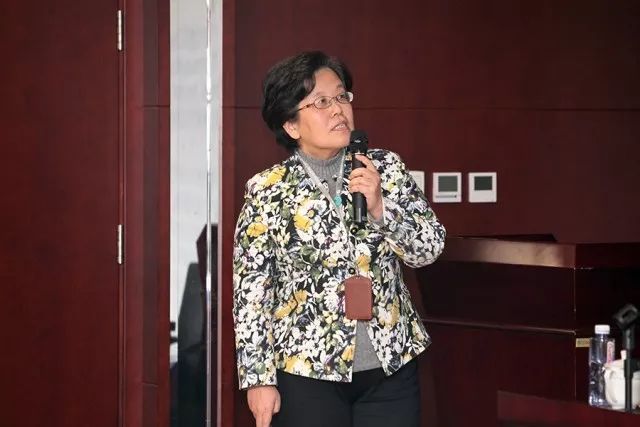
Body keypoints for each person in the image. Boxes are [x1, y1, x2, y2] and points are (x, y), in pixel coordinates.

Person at [232, 51, 446, 427]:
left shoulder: (385, 169)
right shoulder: (267, 191)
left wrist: (381, 209)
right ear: (291, 125)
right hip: (306, 371)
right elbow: (251, 293)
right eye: (321, 102)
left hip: (390, 367)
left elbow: (428, 250)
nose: (337, 109)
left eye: (342, 96)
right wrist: (258, 378)